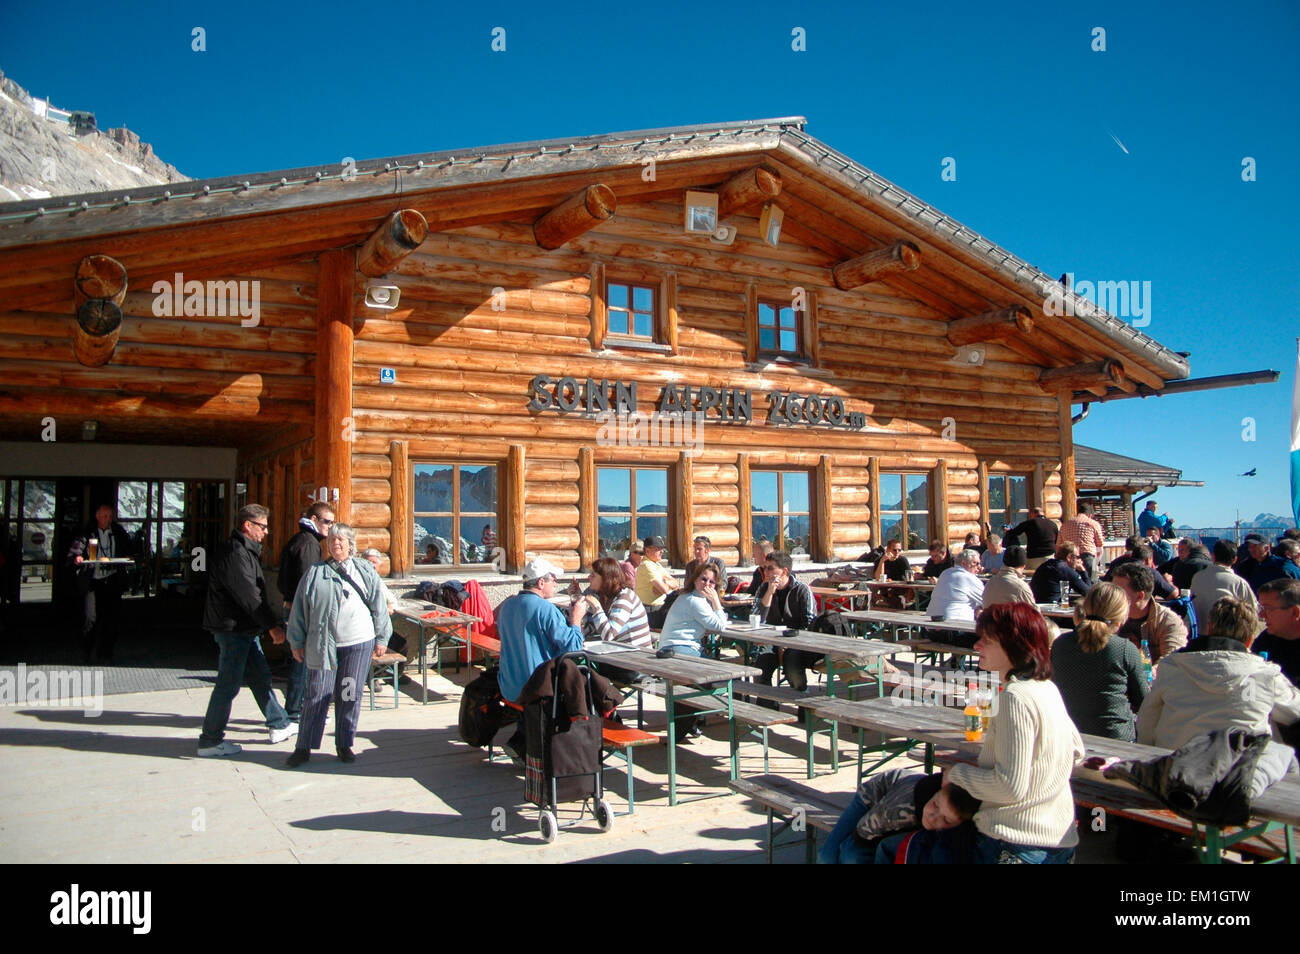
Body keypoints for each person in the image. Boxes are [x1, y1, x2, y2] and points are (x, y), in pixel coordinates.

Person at [943, 603, 1085, 864]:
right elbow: (1077, 751)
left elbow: (1009, 787)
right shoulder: (1046, 688)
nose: (977, 646)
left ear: (1013, 645)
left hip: (1015, 841)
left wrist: (956, 774)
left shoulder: (1014, 698)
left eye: (986, 640)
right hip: (1058, 840)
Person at [283, 523, 393, 767]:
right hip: (324, 644)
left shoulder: (364, 570)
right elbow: (299, 610)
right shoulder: (315, 573)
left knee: (348, 694)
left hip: (359, 643)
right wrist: (296, 642)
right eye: (332, 540)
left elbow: (379, 605)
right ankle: (303, 747)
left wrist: (382, 638)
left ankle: (344, 743)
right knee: (316, 694)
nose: (336, 543)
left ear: (351, 544)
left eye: (341, 540)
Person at [197, 504, 298, 757]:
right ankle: (210, 740)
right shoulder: (235, 553)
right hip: (233, 629)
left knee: (260, 676)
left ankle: (279, 723)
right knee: (228, 685)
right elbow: (249, 597)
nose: (266, 531)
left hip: (244, 628)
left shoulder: (245, 551)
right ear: (247, 526)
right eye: (262, 526)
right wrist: (272, 626)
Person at [1136, 597, 1300, 750]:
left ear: (1209, 628)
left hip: (1175, 764)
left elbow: (1147, 721)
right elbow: (1295, 712)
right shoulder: (1266, 675)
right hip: (1239, 769)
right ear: (1250, 640)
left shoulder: (1172, 667)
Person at [497, 558, 585, 759]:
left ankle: (521, 739)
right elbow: (574, 647)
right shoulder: (545, 609)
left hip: (508, 685)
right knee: (579, 686)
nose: (556, 583)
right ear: (540, 583)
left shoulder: (507, 606)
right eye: (553, 579)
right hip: (535, 688)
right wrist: (576, 619)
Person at [818, 769, 979, 864]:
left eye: (946, 819)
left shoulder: (962, 820)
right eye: (935, 805)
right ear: (937, 792)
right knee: (832, 856)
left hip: (909, 814)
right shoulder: (896, 812)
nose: (933, 816)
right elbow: (863, 834)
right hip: (873, 797)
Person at [1051, 582, 1147, 740]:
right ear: (1122, 616)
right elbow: (1143, 702)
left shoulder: (1061, 643)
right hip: (1115, 738)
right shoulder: (1124, 649)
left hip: (1068, 734)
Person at [277, 501, 333, 725]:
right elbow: (309, 583)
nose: (330, 527)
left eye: (332, 522)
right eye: (327, 521)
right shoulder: (309, 545)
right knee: (303, 662)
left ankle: (297, 709)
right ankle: (295, 711)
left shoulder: (299, 539)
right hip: (303, 612)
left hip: (292, 608)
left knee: (301, 661)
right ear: (314, 520)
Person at [66, 503, 136, 662]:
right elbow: (77, 547)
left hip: (111, 579)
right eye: (105, 516)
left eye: (110, 516)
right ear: (97, 516)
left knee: (111, 617)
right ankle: (87, 651)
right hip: (93, 580)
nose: (108, 519)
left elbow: (128, 548)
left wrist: (129, 556)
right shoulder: (89, 531)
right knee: (91, 617)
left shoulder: (117, 531)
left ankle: (106, 652)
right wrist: (77, 556)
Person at [750, 550, 818, 689]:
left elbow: (810, 624)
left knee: (792, 665)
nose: (766, 572)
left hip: (796, 642)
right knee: (761, 667)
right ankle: (767, 705)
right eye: (764, 568)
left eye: (770, 568)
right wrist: (769, 593)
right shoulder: (764, 588)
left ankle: (802, 704)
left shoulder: (801, 590)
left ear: (784, 571)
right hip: (771, 640)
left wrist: (789, 643)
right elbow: (756, 618)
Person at [1111, 563, 1188, 666]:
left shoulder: (1167, 621)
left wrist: (1142, 675)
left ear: (1139, 596)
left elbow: (1172, 662)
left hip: (1153, 680)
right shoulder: (1106, 617)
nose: (1111, 595)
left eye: (1118, 591)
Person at [570, 556, 652, 649]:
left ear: (606, 579)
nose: (589, 577)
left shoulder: (625, 597)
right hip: (618, 651)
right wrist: (576, 596)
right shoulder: (604, 595)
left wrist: (597, 607)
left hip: (636, 655)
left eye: (593, 575)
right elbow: (590, 623)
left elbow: (608, 635)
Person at [657, 561, 728, 658]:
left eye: (711, 582)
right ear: (695, 580)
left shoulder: (691, 597)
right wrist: (716, 600)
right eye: (704, 579)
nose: (707, 584)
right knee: (716, 669)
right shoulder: (694, 601)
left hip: (673, 646)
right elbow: (720, 626)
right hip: (678, 647)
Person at [1190, 539, 1257, 628]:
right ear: (1235, 560)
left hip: (1199, 633)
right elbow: (1253, 609)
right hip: (1227, 635)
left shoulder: (1197, 577)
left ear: (1213, 556)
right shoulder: (1239, 583)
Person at [1255, 579, 1300, 685]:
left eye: (1268, 609)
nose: (1261, 615)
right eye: (1261, 608)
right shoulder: (1265, 641)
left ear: (1295, 612)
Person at [927, 549, 985, 624]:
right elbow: (988, 602)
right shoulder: (969, 578)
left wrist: (978, 607)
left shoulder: (945, 573)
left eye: (979, 563)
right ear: (964, 563)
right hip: (954, 627)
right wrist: (979, 608)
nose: (979, 567)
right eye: (975, 563)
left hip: (929, 625)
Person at [1058, 502, 1106, 581]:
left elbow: (1059, 545)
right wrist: (1096, 564)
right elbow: (1100, 546)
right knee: (1092, 583)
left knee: (1073, 584)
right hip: (1088, 557)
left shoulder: (1065, 525)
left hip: (1069, 558)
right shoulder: (1093, 524)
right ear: (1090, 515)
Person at [634, 535, 677, 610]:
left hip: (659, 607)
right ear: (647, 550)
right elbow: (665, 590)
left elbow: (676, 583)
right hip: (649, 609)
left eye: (662, 549)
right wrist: (666, 585)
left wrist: (665, 582)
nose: (662, 552)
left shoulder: (656, 564)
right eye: (658, 549)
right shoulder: (646, 565)